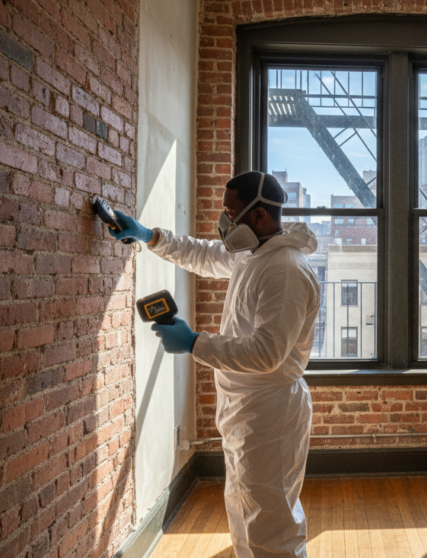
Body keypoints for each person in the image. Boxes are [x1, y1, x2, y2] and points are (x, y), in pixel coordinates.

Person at [108, 172, 321, 558]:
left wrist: (194, 342)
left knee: (271, 523)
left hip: (269, 410)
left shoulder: (285, 269)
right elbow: (203, 255)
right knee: (244, 509)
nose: (224, 221)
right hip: (245, 407)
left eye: (230, 211)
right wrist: (149, 235)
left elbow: (266, 352)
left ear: (259, 216)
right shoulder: (255, 253)